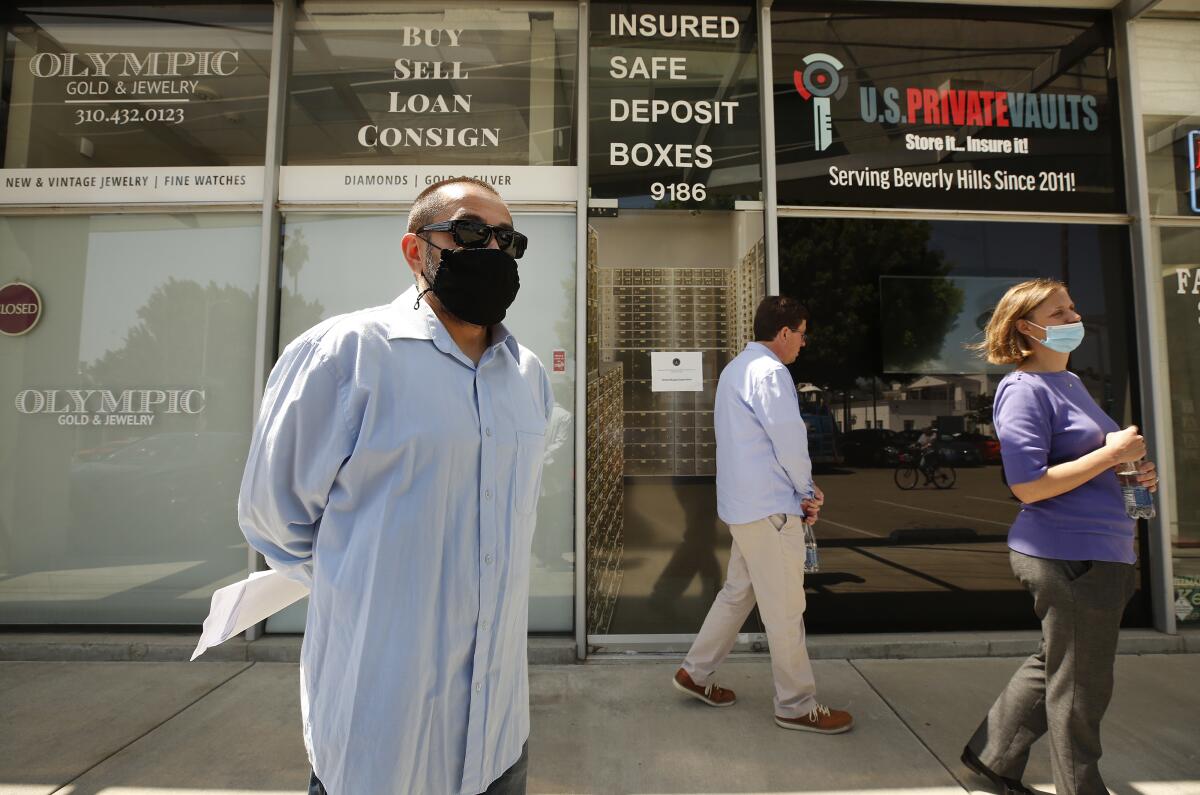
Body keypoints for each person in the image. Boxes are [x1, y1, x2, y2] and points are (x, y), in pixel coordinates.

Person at [238, 177, 552, 795]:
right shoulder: (346, 353)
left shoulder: (527, 374)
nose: (491, 248)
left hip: (498, 737)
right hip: (380, 739)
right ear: (416, 251)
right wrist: (369, 583)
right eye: (468, 232)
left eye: (507, 239)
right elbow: (274, 519)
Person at [962, 278, 1158, 795]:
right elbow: (1027, 485)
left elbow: (1083, 466)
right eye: (1059, 313)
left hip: (1098, 550)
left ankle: (993, 757)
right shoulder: (1023, 389)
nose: (1074, 318)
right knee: (1081, 688)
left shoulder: (1069, 384)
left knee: (1058, 663)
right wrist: (1112, 455)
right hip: (1068, 555)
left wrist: (1130, 471)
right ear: (1026, 328)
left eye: (1073, 308)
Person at [671, 296, 854, 734]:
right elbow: (789, 440)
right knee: (786, 609)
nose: (803, 344)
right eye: (802, 334)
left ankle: (694, 673)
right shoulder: (771, 373)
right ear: (785, 332)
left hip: (745, 507)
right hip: (771, 509)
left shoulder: (737, 369)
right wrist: (808, 491)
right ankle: (795, 703)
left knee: (738, 592)